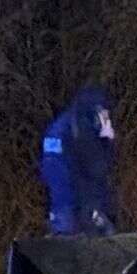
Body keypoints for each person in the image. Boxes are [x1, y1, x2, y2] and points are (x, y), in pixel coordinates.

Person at [40, 85, 117, 235]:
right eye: (103, 113)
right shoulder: (63, 131)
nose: (106, 118)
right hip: (69, 209)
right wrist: (73, 208)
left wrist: (107, 140)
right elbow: (56, 171)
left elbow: (102, 169)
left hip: (91, 206)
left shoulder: (90, 130)